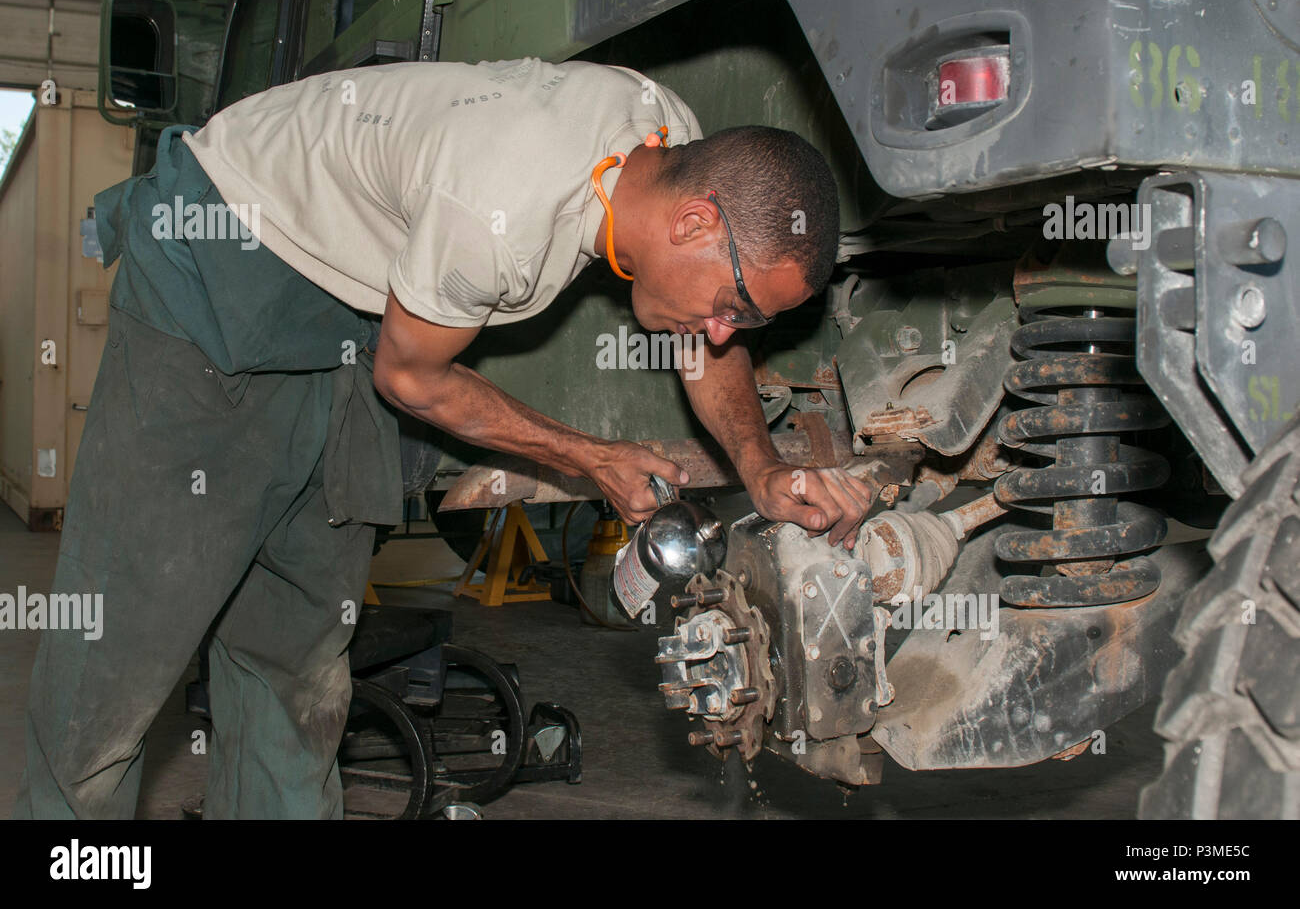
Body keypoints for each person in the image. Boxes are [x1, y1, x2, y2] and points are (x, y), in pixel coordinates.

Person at [14, 56, 872, 819]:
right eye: (736, 306)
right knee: (122, 650)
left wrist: (762, 470)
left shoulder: (669, 140)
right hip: (220, 264)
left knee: (299, 644)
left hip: (348, 316)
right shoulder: (502, 207)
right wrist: (589, 458)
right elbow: (412, 379)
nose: (725, 334)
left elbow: (698, 347)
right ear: (692, 224)